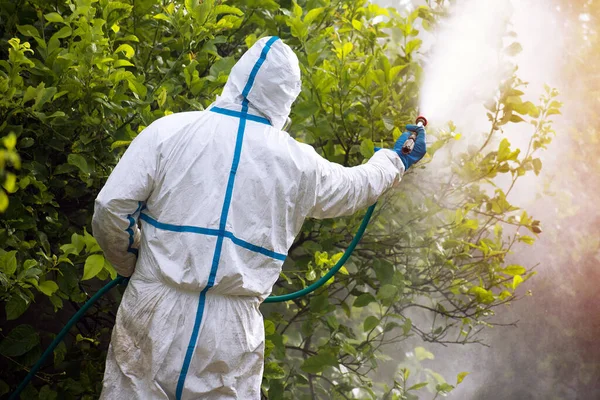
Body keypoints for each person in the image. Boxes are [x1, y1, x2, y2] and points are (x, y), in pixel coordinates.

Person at [92, 36, 426, 400]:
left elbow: (111, 207)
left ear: (235, 78)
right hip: (230, 331)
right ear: (286, 98)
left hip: (153, 308)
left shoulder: (170, 132)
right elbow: (354, 186)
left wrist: (130, 262)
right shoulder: (298, 162)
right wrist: (396, 160)